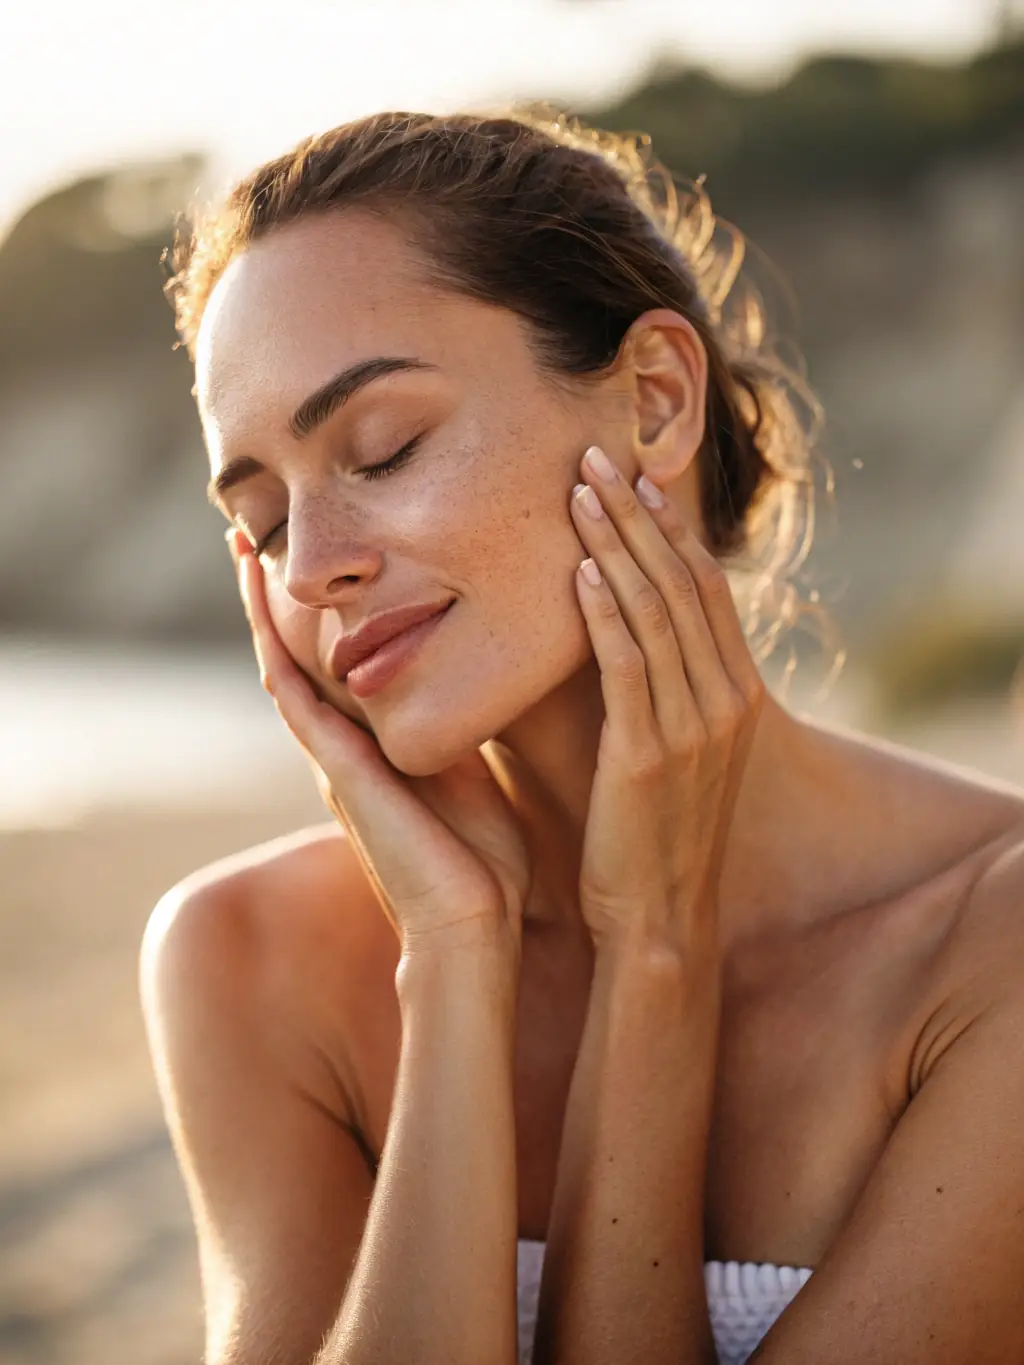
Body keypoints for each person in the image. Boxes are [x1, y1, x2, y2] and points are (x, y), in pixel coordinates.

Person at [139, 107, 1024, 1365]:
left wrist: (654, 946)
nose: (319, 565)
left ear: (655, 402)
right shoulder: (245, 960)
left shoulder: (993, 949)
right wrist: (452, 957)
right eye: (268, 520)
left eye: (382, 450)